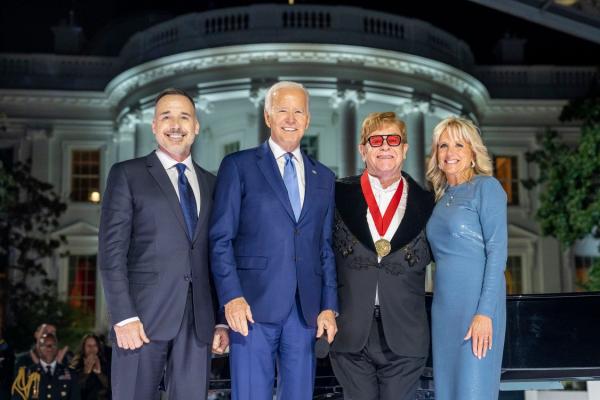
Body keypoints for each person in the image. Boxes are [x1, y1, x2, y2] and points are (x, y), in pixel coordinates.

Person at [210, 81, 338, 400]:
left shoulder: (324, 177)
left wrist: (329, 307)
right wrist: (231, 297)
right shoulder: (238, 166)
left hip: (304, 311)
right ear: (268, 116)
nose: (291, 118)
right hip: (250, 308)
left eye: (298, 111)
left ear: (308, 119)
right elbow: (221, 238)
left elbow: (325, 247)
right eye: (282, 110)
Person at [98, 88, 228, 400]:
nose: (175, 124)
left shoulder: (213, 184)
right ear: (154, 126)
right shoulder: (126, 174)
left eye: (184, 117)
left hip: (198, 324)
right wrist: (123, 316)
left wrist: (221, 320)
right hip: (140, 322)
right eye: (166, 116)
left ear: (196, 127)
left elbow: (218, 255)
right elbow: (111, 252)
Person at [329, 112, 434, 400]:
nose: (385, 146)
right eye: (376, 140)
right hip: (350, 333)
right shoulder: (336, 194)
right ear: (363, 150)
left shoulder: (428, 202)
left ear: (405, 149)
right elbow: (320, 257)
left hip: (406, 335)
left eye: (393, 139)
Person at [425, 116, 507, 400]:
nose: (450, 153)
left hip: (477, 309)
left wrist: (485, 312)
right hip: (444, 310)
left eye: (459, 144)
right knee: (446, 393)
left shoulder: (487, 187)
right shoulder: (440, 197)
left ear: (473, 151)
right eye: (443, 145)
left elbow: (498, 252)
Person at [11, 333, 80, 400]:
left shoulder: (71, 374)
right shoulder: (25, 375)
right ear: (39, 349)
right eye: (45, 345)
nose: (49, 348)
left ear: (57, 349)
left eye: (53, 345)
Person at [69, 334, 109, 400]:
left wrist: (99, 373)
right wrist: (86, 372)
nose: (92, 349)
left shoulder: (105, 363)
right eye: (89, 346)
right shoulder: (76, 364)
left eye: (95, 345)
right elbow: (73, 388)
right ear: (83, 348)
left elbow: (111, 387)